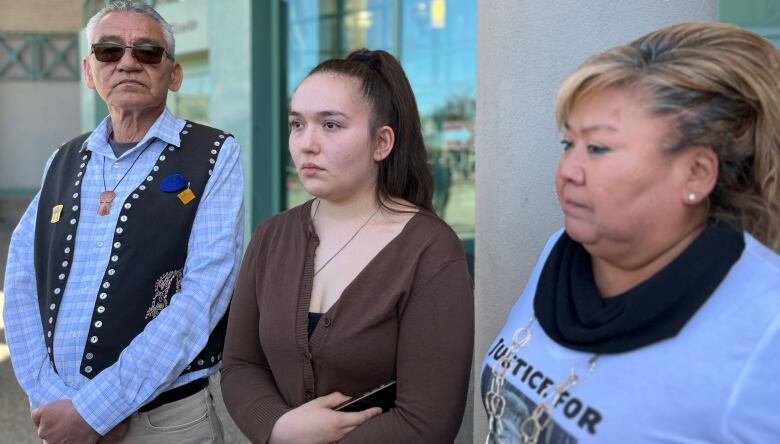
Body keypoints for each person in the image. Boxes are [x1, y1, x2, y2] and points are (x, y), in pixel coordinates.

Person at [481, 22, 780, 443]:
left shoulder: (767, 325)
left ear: (696, 172)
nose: (568, 171)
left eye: (598, 148)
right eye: (568, 144)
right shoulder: (560, 252)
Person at [2, 2, 243, 443]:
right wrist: (50, 397)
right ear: (89, 71)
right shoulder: (63, 159)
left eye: (148, 51)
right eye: (109, 50)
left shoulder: (215, 154)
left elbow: (204, 296)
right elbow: (21, 280)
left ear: (174, 74)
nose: (128, 61)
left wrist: (96, 411)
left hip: (166, 426)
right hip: (60, 415)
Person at [220, 48, 474, 443]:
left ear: (381, 142)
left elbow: (428, 423)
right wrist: (279, 427)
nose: (307, 143)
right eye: (297, 124)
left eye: (331, 125)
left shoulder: (430, 250)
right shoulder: (272, 236)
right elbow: (240, 364)